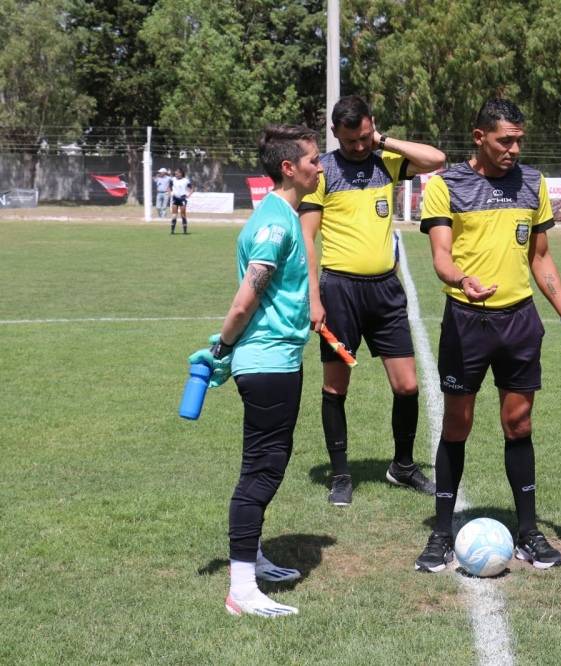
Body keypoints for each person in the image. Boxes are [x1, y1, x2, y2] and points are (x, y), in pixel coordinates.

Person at [414, 98, 561, 573]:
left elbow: (541, 258)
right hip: (468, 321)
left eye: (518, 140)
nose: (513, 149)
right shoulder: (445, 185)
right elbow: (441, 256)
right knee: (457, 425)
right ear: (479, 137)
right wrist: (460, 279)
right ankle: (440, 533)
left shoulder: (533, 183)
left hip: (520, 321)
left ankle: (529, 533)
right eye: (504, 140)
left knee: (519, 424)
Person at [188, 124, 323, 617]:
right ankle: (241, 590)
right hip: (267, 362)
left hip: (278, 358)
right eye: (313, 159)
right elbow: (246, 298)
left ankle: (254, 560)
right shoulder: (275, 224)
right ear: (289, 168)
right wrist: (223, 346)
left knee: (267, 461)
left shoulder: (279, 214)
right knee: (262, 470)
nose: (320, 166)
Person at [298, 95, 445, 506]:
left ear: (372, 126)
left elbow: (437, 159)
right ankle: (341, 474)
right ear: (334, 134)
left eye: (364, 137)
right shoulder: (322, 172)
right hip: (339, 292)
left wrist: (383, 140)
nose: (359, 147)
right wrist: (314, 297)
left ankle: (402, 466)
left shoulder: (386, 160)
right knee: (335, 386)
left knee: (408, 384)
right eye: (350, 141)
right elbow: (308, 238)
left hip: (385, 292)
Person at [169, 168, 194, 234]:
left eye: (177, 173)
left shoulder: (185, 181)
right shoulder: (173, 179)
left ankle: (185, 231)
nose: (176, 175)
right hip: (175, 198)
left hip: (182, 198)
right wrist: (170, 194)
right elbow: (169, 187)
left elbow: (192, 188)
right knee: (174, 215)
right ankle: (172, 231)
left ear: (181, 173)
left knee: (183, 215)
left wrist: (188, 195)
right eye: (175, 174)